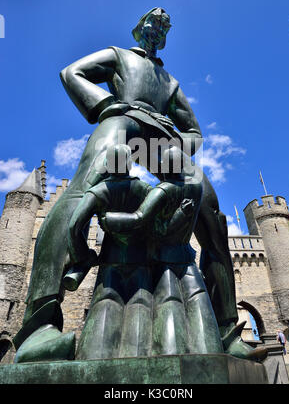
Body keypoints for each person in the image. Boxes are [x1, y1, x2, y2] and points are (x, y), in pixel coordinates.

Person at [13, 7, 243, 361]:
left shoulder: (169, 82)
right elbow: (71, 72)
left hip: (163, 141)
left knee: (210, 210)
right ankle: (38, 326)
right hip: (124, 121)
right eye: (152, 22)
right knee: (85, 185)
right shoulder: (118, 56)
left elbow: (194, 131)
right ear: (139, 29)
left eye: (165, 26)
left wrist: (175, 152)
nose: (158, 27)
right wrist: (108, 106)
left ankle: (227, 331)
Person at [70, 145, 223, 359]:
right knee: (161, 306)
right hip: (173, 259)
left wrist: (85, 252)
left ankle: (100, 364)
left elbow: (75, 226)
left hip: (129, 261)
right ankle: (209, 362)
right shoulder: (186, 188)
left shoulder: (110, 192)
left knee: (112, 304)